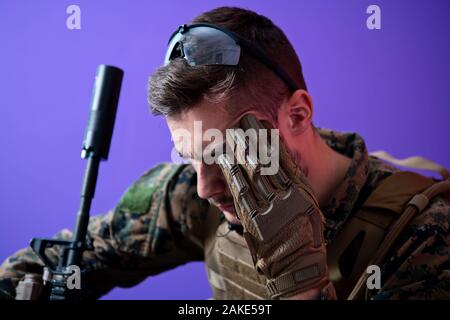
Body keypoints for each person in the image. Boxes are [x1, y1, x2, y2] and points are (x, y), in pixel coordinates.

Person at [1, 6, 449, 300]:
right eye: (189, 156)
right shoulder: (191, 196)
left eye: (225, 152)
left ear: (297, 114)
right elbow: (61, 261)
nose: (205, 186)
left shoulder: (424, 234)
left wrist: (301, 282)